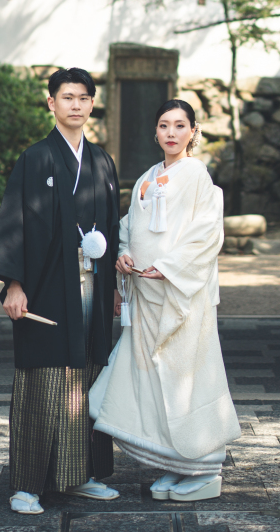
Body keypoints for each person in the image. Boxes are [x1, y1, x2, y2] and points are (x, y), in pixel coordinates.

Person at [0, 67, 121, 515]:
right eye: (67, 97)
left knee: (85, 378)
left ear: (92, 104)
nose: (75, 105)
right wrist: (14, 284)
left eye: (83, 97)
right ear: (51, 103)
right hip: (45, 288)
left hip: (92, 285)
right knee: (42, 381)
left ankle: (80, 475)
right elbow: (15, 221)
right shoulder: (36, 158)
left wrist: (114, 287)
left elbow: (112, 227)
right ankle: (27, 485)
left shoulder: (101, 161)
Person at [89, 98, 240, 503]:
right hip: (146, 295)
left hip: (181, 297)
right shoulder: (147, 176)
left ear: (193, 131)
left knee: (188, 377)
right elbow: (129, 227)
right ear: (155, 132)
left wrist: (171, 266)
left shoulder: (197, 175)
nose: (171, 132)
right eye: (163, 125)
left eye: (179, 125)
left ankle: (205, 468)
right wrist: (123, 254)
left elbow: (207, 232)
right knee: (154, 379)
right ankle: (177, 462)